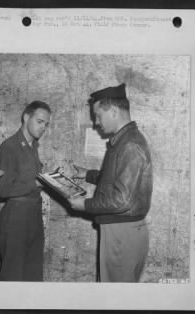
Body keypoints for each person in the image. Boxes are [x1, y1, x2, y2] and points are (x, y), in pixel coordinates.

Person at [68, 83, 153, 282]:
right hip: (122, 230)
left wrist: (85, 205)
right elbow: (117, 179)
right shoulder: (125, 140)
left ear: (114, 111)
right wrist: (87, 174)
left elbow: (122, 200)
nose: (96, 122)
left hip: (121, 234)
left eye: (98, 115)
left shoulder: (129, 145)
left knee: (114, 298)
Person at [0, 101, 51, 281]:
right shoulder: (9, 147)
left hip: (33, 215)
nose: (43, 127)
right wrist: (36, 183)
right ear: (26, 117)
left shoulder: (33, 146)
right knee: (12, 275)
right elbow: (3, 189)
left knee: (33, 274)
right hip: (16, 218)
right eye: (40, 121)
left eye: (46, 124)